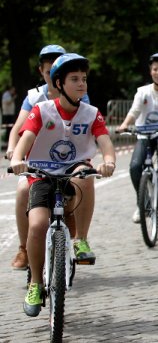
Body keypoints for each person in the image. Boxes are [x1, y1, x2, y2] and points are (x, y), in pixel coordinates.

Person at [10, 53, 116, 316]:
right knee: (37, 225)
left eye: (84, 79)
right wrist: (17, 159)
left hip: (72, 168)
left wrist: (109, 162)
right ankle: (35, 282)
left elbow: (105, 144)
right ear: (59, 83)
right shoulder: (41, 110)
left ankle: (81, 239)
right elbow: (25, 140)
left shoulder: (92, 114)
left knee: (85, 174)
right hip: (41, 171)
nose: (82, 84)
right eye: (74, 79)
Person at [6, 44, 93, 271]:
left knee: (82, 178)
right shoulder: (35, 97)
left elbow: (91, 126)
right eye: (48, 71)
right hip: (40, 160)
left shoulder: (80, 95)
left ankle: (74, 219)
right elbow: (19, 128)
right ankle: (24, 248)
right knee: (24, 190)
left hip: (68, 159)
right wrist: (13, 151)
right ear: (45, 74)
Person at [116, 52, 158, 222]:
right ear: (150, 71)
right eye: (155, 69)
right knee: (135, 166)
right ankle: (143, 204)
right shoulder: (142, 92)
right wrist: (124, 124)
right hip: (143, 134)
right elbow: (134, 111)